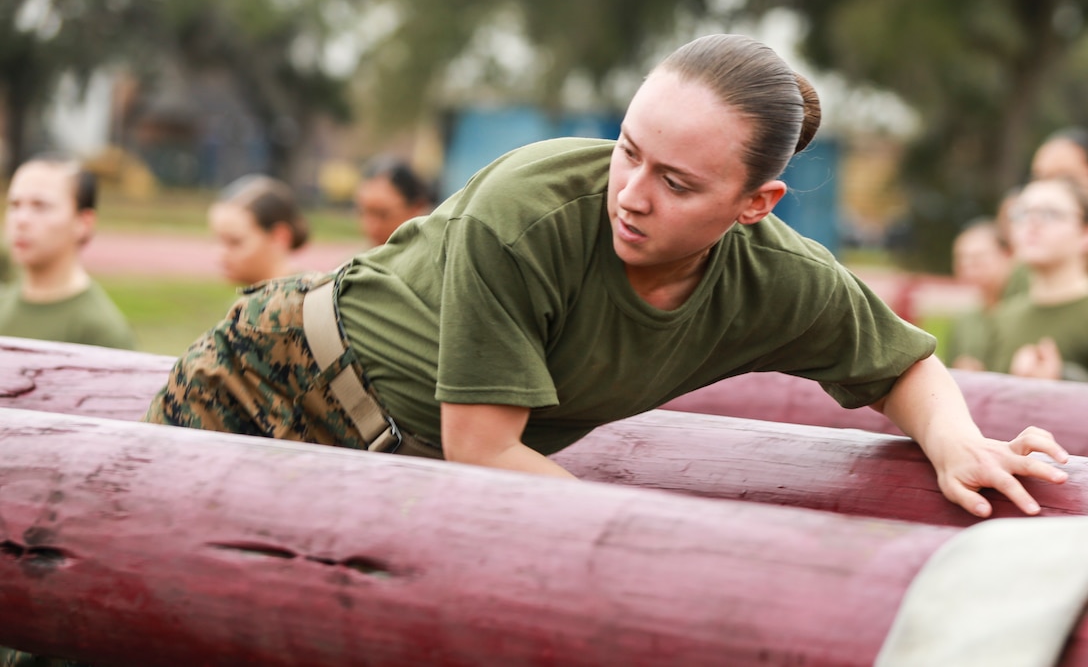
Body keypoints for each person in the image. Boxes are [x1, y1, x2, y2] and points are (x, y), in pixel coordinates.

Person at [144, 33, 1069, 520]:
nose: (630, 194)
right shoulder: (531, 208)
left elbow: (899, 363)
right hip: (273, 384)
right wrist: (657, 538)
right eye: (629, 150)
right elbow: (483, 451)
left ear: (757, 203)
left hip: (405, 463)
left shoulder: (778, 277)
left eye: (677, 182)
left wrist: (954, 443)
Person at [0, 152, 136, 349]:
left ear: (83, 222)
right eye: (14, 205)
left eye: (40, 206)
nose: (21, 220)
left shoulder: (102, 332)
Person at [980, 176, 1088, 380]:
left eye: (1050, 213)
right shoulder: (1002, 319)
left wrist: (1064, 377)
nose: (1032, 223)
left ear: (1084, 232)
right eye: (1021, 213)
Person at [207, 174, 310, 286]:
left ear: (279, 237)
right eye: (218, 240)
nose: (221, 253)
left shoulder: (307, 300)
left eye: (235, 242)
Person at [945, 218, 1015, 370]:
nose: (967, 265)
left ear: (1007, 254)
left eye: (978, 257)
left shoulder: (1022, 314)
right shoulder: (965, 321)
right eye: (961, 258)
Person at [354, 157, 433, 246]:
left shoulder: (437, 256)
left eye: (383, 214)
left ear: (417, 208)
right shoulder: (356, 257)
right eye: (363, 213)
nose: (371, 227)